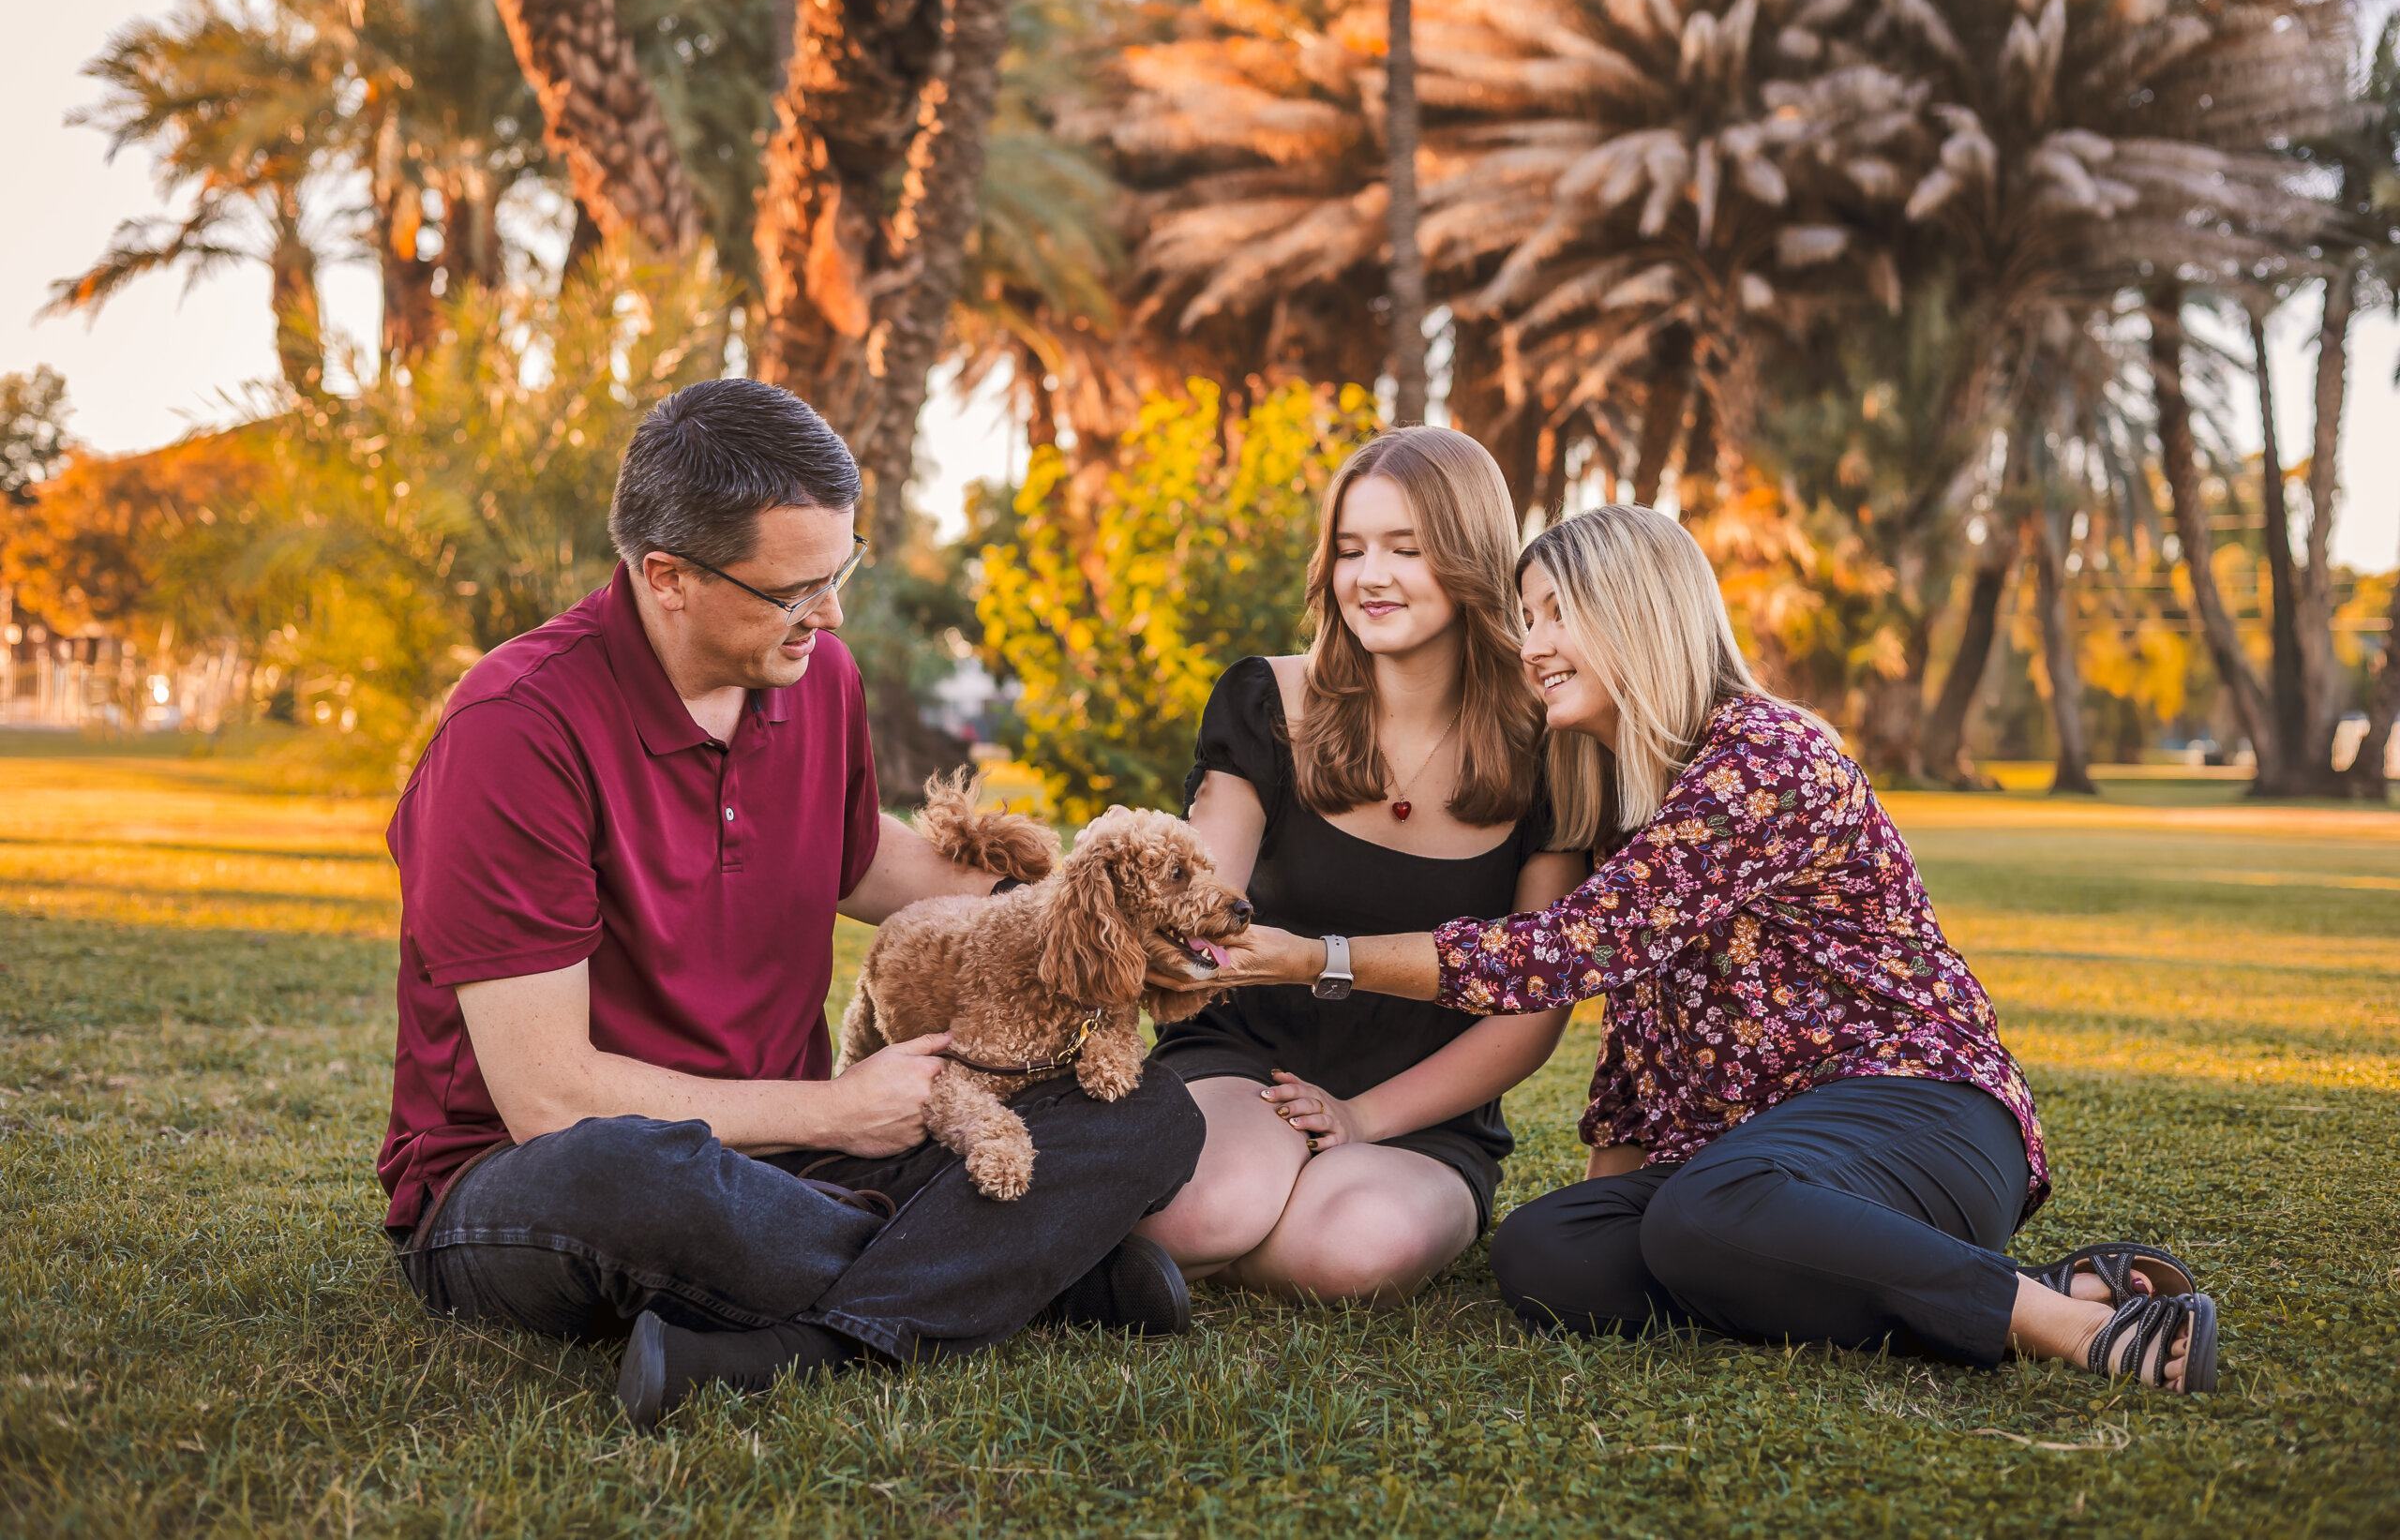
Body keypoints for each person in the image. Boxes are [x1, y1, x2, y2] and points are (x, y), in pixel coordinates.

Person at [1202, 504, 2215, 1391]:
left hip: (1916, 1115)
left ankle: (2065, 1321)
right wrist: (1608, 1198)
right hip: (1755, 1169)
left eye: (1559, 614)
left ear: (1637, 616)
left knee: (1705, 1210)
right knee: (1551, 1256)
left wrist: (1316, 956)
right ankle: (1959, 1283)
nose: (1532, 644)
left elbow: (1566, 951)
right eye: (1528, 618)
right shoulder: (1622, 799)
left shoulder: (1765, 755)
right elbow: (1641, 1038)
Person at [379, 379, 1203, 1430]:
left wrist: (1079, 912)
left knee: (1149, 1112)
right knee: (631, 1171)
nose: (832, 612)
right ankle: (1028, 1277)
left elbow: (864, 864)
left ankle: (794, 1346)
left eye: (840, 570)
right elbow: (549, 1099)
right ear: (666, 576)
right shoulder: (514, 730)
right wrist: (837, 1112)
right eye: (793, 588)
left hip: (793, 1160)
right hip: (526, 1185)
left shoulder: (819, 677)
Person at [1138, 427, 1589, 1301]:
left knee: (1350, 1252)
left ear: (1471, 558)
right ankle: (1197, 1228)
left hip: (1423, 1108)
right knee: (1202, 1212)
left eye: (1405, 549)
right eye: (1350, 549)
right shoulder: (1264, 698)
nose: (1368, 576)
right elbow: (1206, 902)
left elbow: (1531, 1003)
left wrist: (1361, 1118)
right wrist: (1176, 939)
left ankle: (1218, 1237)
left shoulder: (1552, 749)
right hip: (1245, 1057)